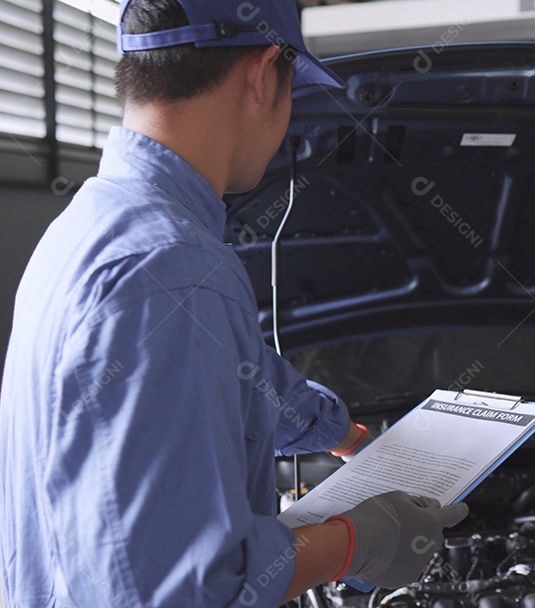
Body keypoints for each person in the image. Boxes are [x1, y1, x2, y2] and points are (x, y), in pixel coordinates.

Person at [0, 1, 467, 606]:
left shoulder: (93, 223)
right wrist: (354, 541)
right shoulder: (174, 268)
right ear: (262, 71)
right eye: (293, 88)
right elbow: (183, 586)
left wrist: (343, 434)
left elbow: (228, 370)